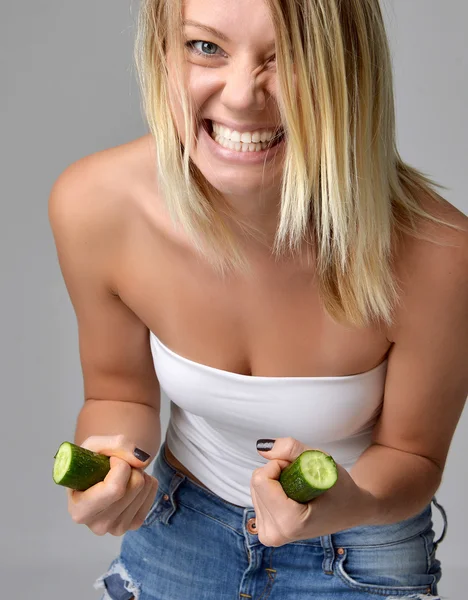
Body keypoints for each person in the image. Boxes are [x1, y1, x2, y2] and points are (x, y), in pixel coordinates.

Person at [48, 0, 468, 598]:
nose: (243, 95)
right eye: (206, 47)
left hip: (359, 548)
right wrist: (114, 464)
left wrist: (351, 500)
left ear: (347, 70)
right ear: (161, 53)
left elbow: (413, 455)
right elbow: (117, 393)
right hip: (179, 528)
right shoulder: (94, 205)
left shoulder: (441, 252)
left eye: (289, 56)